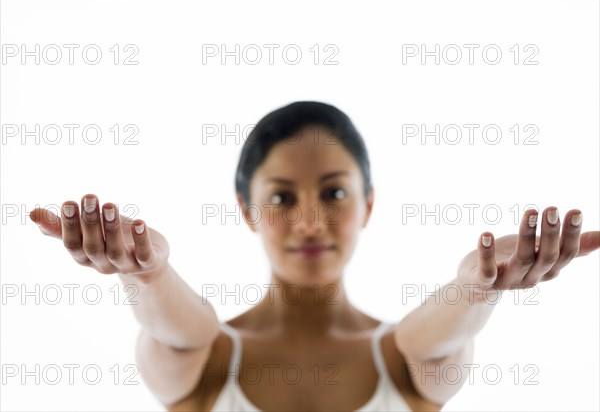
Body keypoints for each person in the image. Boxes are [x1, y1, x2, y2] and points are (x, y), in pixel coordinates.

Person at [29, 101, 600, 412]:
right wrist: (147, 274)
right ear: (247, 209)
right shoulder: (205, 360)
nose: (308, 220)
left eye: (334, 192)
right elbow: (181, 330)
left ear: (368, 204)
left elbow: (438, 334)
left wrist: (478, 288)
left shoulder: (408, 360)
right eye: (280, 196)